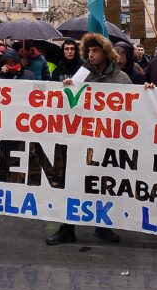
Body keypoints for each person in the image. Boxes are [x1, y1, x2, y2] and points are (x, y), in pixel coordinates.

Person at [47, 33, 130, 246]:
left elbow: (133, 108)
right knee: (74, 182)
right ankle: (67, 228)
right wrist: (68, 88)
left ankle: (102, 226)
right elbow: (70, 105)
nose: (91, 55)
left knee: (103, 184)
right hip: (82, 141)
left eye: (95, 51)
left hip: (108, 142)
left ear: (105, 53)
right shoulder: (82, 74)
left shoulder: (121, 78)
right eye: (89, 51)